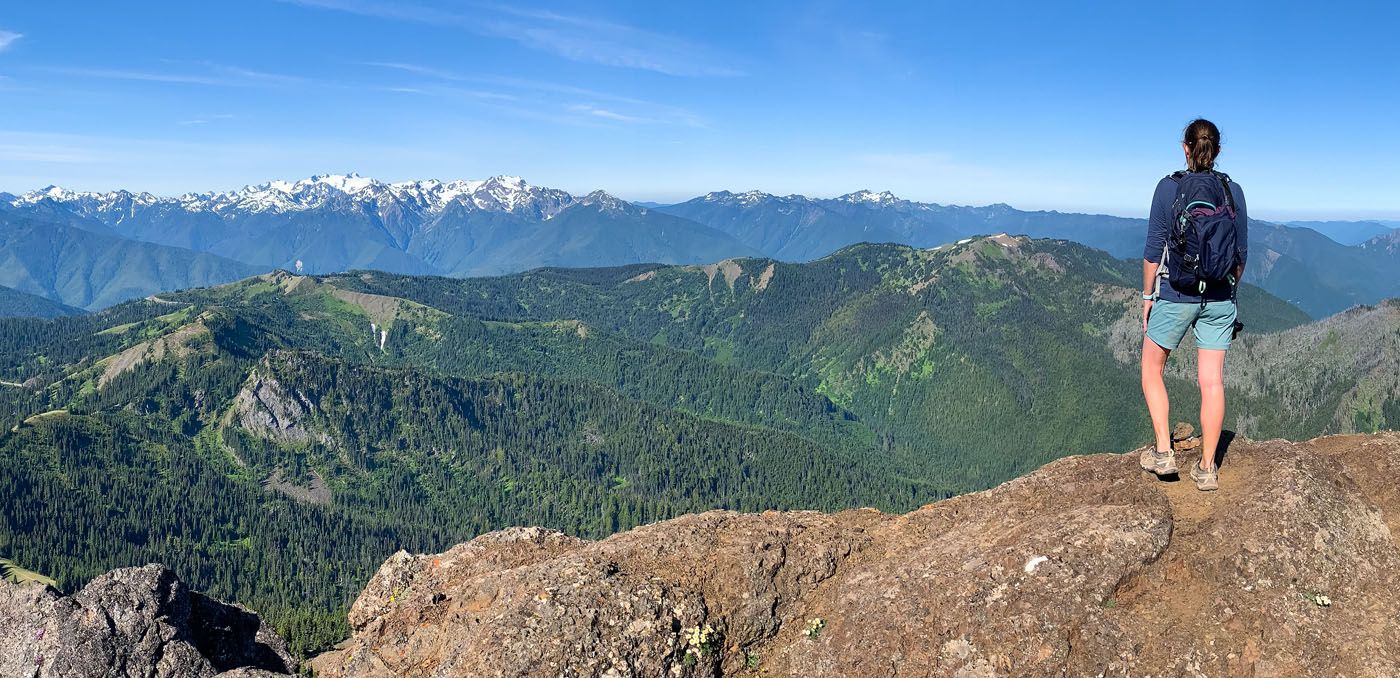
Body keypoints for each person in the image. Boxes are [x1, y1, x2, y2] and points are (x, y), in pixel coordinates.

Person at [1138, 118, 1247, 491]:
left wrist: (1148, 297)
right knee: (1212, 381)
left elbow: (1154, 252)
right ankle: (1206, 469)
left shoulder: (1168, 188)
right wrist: (1226, 294)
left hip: (1176, 293)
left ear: (1185, 148)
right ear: (1217, 151)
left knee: (1152, 368)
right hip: (1219, 296)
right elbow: (1240, 257)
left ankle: (1163, 454)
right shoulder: (1233, 192)